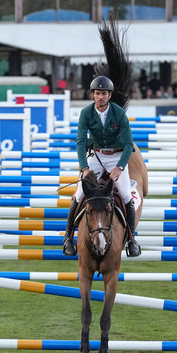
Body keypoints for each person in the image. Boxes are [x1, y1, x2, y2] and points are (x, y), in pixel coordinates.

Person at [62, 75, 141, 258]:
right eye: (97, 93)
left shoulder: (119, 113)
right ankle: (68, 237)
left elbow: (129, 144)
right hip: (96, 156)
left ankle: (131, 239)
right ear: (93, 95)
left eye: (104, 93)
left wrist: (120, 167)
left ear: (109, 95)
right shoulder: (86, 113)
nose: (100, 97)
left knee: (127, 196)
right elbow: (81, 142)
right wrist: (84, 168)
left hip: (116, 157)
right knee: (79, 193)